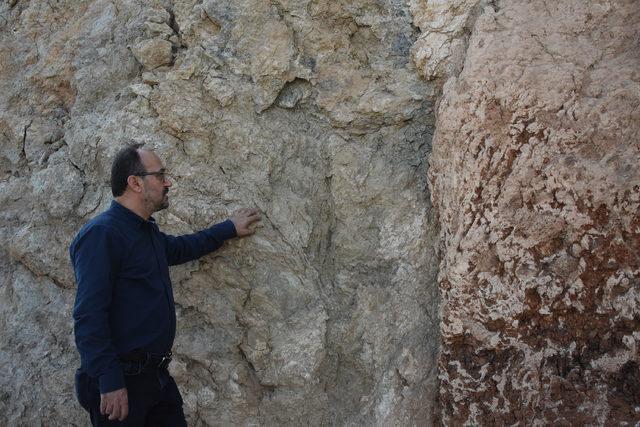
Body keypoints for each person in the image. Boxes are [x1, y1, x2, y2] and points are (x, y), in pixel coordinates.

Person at [70, 144, 260, 426]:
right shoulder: (102, 235)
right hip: (121, 382)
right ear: (135, 183)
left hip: (155, 380)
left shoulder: (145, 231)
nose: (168, 182)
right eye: (160, 176)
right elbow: (89, 315)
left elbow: (181, 248)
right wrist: (109, 381)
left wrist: (229, 228)